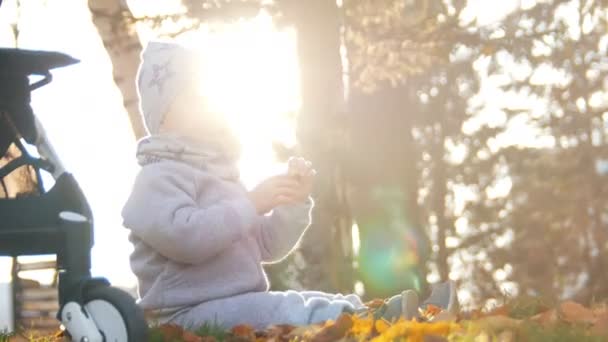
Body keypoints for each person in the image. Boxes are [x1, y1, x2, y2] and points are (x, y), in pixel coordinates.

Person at [122, 41, 457, 330]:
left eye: (206, 97)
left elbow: (267, 246)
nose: (207, 107)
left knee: (310, 300)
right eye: (193, 98)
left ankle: (390, 313)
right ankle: (383, 319)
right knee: (283, 309)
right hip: (181, 315)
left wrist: (292, 204)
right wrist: (251, 203)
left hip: (236, 302)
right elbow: (187, 238)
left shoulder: (222, 175)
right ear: (163, 116)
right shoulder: (156, 178)